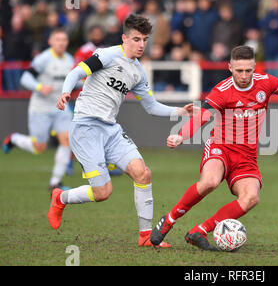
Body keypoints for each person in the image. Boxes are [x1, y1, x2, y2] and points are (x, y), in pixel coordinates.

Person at [150, 45, 278, 250]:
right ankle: (169, 220)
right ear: (230, 67)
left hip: (246, 157)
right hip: (221, 147)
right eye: (239, 70)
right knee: (210, 181)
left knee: (251, 197)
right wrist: (181, 136)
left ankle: (199, 231)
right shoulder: (222, 91)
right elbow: (203, 115)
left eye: (248, 70)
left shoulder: (266, 83)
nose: (244, 75)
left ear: (255, 67)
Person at [48, 14, 193, 248]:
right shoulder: (107, 55)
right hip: (85, 128)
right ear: (124, 38)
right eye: (136, 39)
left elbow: (150, 106)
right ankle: (60, 197)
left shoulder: (138, 72)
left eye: (145, 40)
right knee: (103, 192)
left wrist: (181, 111)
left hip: (110, 130)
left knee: (142, 173)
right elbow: (77, 72)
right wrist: (66, 91)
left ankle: (146, 236)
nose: (141, 45)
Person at [3, 28, 76, 192]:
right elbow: (25, 77)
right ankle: (13, 139)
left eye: (64, 39)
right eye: (58, 39)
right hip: (41, 108)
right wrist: (39, 87)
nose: (61, 42)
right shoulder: (43, 59)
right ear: (50, 41)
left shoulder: (69, 60)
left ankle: (55, 183)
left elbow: (70, 82)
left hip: (61, 107)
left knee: (67, 140)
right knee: (39, 148)